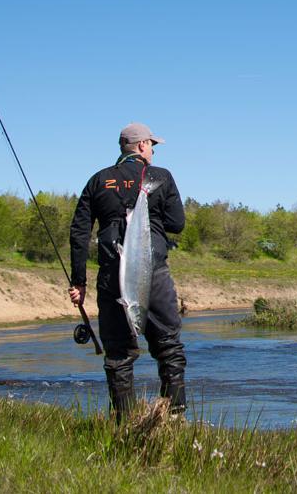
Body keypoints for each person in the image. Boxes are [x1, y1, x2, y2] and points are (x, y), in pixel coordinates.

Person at [69, 122, 187, 418]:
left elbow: (79, 232)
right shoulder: (161, 177)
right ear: (142, 146)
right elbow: (177, 224)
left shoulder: (98, 180)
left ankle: (123, 423)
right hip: (154, 273)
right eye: (152, 146)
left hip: (111, 276)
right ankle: (174, 418)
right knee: (169, 346)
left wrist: (78, 282)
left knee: (118, 355)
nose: (153, 152)